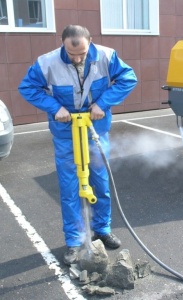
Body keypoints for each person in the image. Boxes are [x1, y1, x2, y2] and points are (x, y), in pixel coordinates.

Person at [18, 25, 137, 265]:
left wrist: (102, 103)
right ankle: (74, 240)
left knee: (100, 182)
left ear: (90, 41)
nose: (78, 58)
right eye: (72, 55)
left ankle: (102, 229)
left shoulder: (106, 56)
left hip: (95, 130)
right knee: (70, 186)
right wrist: (55, 108)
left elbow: (128, 78)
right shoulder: (47, 63)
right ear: (62, 44)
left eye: (82, 53)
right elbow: (27, 88)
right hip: (65, 132)